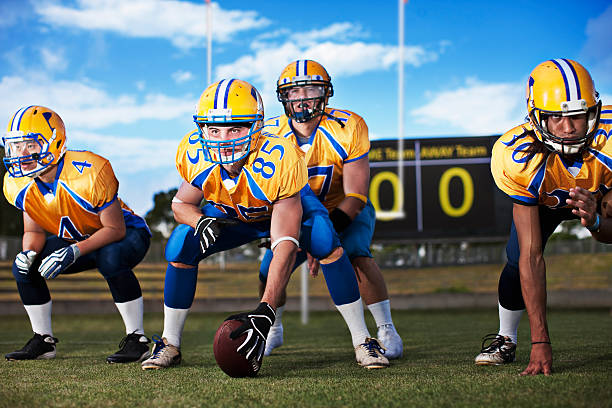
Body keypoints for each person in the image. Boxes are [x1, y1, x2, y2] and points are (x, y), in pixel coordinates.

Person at [141, 79, 388, 372]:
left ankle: (363, 340)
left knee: (324, 238)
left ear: (256, 128)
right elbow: (181, 204)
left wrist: (265, 308)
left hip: (278, 209)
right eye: (214, 128)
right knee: (181, 243)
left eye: (236, 128)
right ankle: (170, 342)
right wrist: (200, 220)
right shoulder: (194, 152)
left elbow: (284, 240)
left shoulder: (280, 156)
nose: (223, 138)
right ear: (201, 128)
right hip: (231, 213)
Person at [258, 60, 403, 359]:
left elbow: (356, 195)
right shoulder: (267, 133)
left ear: (325, 93)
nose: (301, 98)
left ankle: (386, 328)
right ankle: (274, 329)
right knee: (267, 270)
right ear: (283, 96)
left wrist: (323, 236)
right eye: (294, 91)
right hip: (296, 215)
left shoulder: (348, 126)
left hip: (343, 209)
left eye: (310, 89)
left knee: (356, 255)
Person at [475, 59, 612, 375]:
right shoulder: (518, 156)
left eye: (577, 115)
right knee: (515, 258)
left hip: (600, 198)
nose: (567, 128)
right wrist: (541, 342)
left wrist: (595, 221)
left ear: (593, 110)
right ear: (537, 117)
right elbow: (531, 257)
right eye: (555, 118)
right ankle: (506, 337)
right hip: (544, 203)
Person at [2, 105, 152, 363]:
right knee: (24, 268)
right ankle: (43, 340)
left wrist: (74, 251)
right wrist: (29, 252)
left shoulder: (89, 170)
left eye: (30, 145)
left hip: (127, 234)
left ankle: (137, 338)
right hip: (78, 239)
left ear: (55, 142)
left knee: (110, 257)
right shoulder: (17, 183)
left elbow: (115, 229)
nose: (21, 154)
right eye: (16, 146)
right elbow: (33, 229)